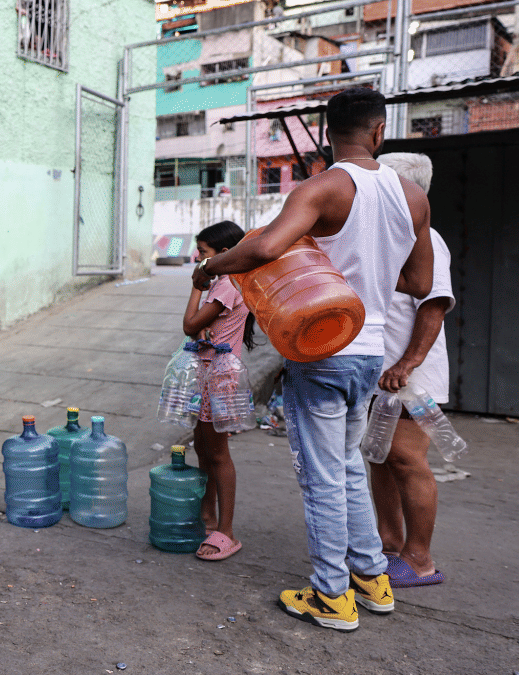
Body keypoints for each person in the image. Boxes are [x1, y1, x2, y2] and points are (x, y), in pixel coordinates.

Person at [192, 87, 434, 632]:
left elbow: (262, 248)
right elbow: (419, 281)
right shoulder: (412, 196)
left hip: (322, 347)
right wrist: (370, 268)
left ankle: (330, 594)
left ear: (329, 132)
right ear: (380, 131)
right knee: (348, 466)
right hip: (371, 349)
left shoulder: (324, 187)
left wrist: (212, 269)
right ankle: (371, 580)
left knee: (323, 476)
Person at [369, 152, 455, 589]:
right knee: (380, 458)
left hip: (408, 375)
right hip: (380, 373)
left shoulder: (428, 239)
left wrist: (407, 363)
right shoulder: (389, 237)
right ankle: (389, 546)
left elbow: (435, 305)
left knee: (405, 458)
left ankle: (419, 559)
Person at [181, 221, 256, 561]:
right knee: (202, 446)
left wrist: (197, 285)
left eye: (204, 254)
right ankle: (207, 515)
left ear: (224, 255)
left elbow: (189, 325)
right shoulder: (225, 283)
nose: (200, 260)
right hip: (207, 374)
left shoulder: (227, 284)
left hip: (220, 380)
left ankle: (226, 531)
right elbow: (200, 333)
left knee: (218, 453)